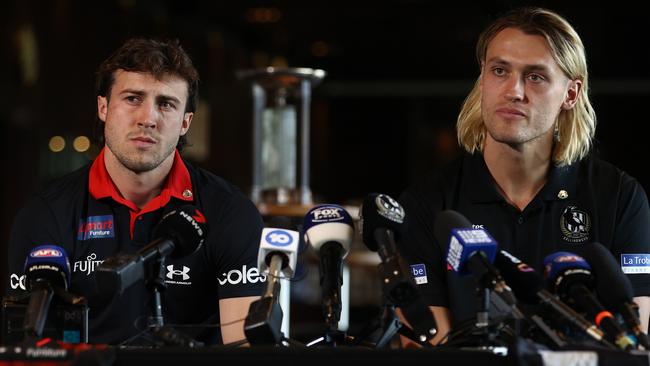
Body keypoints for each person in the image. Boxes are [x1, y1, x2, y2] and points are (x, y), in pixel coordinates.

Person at [398, 7, 650, 345]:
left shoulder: (619, 197)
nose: (514, 91)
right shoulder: (426, 203)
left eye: (535, 76)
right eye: (499, 70)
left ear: (570, 94)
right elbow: (428, 345)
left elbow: (635, 338)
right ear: (483, 78)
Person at [5, 38, 265, 345]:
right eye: (132, 98)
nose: (148, 119)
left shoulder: (229, 211)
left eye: (166, 104)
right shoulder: (47, 214)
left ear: (185, 122)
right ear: (103, 107)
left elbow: (243, 348)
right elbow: (29, 348)